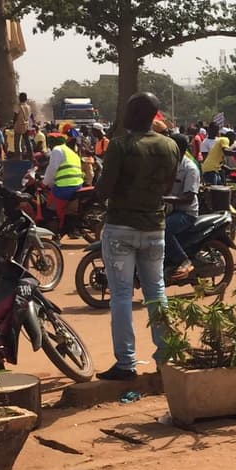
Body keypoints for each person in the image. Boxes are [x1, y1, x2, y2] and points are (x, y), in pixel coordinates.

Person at [94, 92, 180, 382]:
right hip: (155, 227)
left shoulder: (120, 146)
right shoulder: (170, 145)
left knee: (121, 296)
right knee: (156, 292)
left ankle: (126, 363)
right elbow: (168, 184)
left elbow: (104, 190)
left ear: (132, 114)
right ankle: (166, 358)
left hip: (121, 227)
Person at [163, 133, 200, 282]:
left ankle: (183, 260)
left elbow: (188, 198)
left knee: (162, 228)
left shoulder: (190, 168)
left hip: (186, 213)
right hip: (169, 209)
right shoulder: (167, 163)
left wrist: (163, 199)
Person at [42, 131, 85, 235]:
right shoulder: (70, 152)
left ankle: (56, 234)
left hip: (65, 187)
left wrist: (44, 183)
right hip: (77, 185)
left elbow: (52, 169)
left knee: (50, 207)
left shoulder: (57, 150)